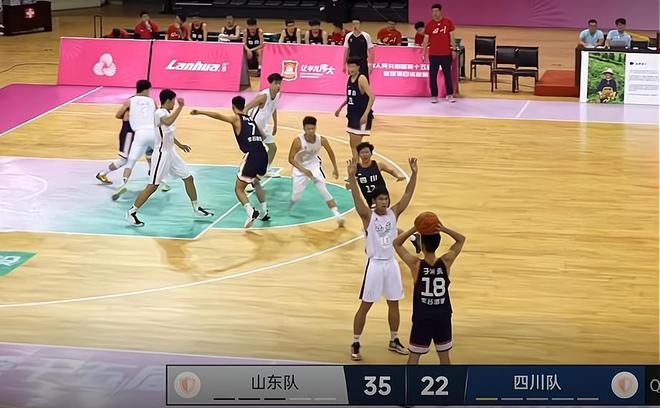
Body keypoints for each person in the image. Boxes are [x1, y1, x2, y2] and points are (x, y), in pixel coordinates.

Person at [346, 157, 418, 361]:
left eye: (386, 199)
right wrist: (352, 178)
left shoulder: (393, 213)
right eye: (380, 199)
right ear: (374, 201)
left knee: (394, 303)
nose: (384, 202)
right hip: (375, 265)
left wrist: (414, 174)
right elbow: (357, 199)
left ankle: (394, 339)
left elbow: (407, 194)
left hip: (391, 264)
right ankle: (356, 342)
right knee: (365, 305)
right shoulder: (368, 216)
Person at [127, 90, 214, 227]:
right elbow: (168, 122)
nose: (174, 103)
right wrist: (180, 107)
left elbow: (168, 134)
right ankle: (132, 212)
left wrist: (180, 145)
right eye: (173, 101)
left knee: (188, 178)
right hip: (161, 154)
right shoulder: (159, 113)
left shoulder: (167, 112)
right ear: (167, 101)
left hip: (171, 153)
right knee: (153, 186)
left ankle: (196, 208)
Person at [190, 97, 270, 229]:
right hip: (263, 154)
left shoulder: (236, 118)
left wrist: (200, 112)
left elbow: (218, 116)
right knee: (256, 182)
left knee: (239, 189)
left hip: (252, 156)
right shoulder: (251, 119)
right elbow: (264, 136)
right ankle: (264, 211)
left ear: (233, 107)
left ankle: (251, 212)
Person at [393, 220, 466, 364]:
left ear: (422, 246)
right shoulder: (446, 261)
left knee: (413, 359)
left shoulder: (416, 265)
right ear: (438, 244)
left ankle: (409, 380)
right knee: (444, 358)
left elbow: (396, 244)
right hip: (442, 315)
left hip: (422, 317)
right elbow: (461, 239)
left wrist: (414, 228)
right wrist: (443, 228)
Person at [354, 142, 421, 252]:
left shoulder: (378, 165)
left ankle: (372, 245)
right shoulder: (356, 169)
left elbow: (391, 170)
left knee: (376, 224)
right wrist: (350, 183)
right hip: (370, 199)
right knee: (384, 225)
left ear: (371, 153)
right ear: (358, 154)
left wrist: (398, 175)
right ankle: (413, 237)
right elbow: (351, 181)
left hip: (381, 198)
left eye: (367, 152)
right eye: (362, 152)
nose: (365, 155)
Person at [288, 116, 344, 227]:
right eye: (308, 129)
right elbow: (290, 159)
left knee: (323, 188)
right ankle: (291, 204)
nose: (310, 131)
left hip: (313, 165)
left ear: (315, 128)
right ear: (304, 129)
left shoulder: (321, 140)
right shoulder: (298, 141)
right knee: (296, 195)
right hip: (300, 167)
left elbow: (331, 153)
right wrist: (304, 170)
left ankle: (337, 215)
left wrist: (335, 168)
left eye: (312, 129)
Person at [111, 80, 157, 201]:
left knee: (130, 161)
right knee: (161, 155)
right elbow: (157, 117)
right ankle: (162, 180)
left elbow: (118, 115)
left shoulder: (130, 101)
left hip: (139, 134)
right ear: (147, 89)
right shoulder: (152, 101)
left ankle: (123, 183)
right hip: (153, 133)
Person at [335, 57, 375, 162]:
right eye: (349, 66)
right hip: (352, 115)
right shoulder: (350, 78)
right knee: (353, 144)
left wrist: (365, 115)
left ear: (358, 67)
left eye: (353, 66)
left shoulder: (361, 78)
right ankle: (358, 166)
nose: (351, 69)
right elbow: (350, 97)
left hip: (360, 116)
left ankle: (358, 167)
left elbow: (372, 97)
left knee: (355, 145)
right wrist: (340, 108)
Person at [245, 73, 282, 178]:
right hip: (255, 127)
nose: (278, 86)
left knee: (273, 148)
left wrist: (275, 124)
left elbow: (274, 108)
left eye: (280, 83)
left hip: (264, 127)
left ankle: (266, 169)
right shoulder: (263, 96)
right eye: (276, 83)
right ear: (270, 84)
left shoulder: (277, 95)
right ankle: (247, 172)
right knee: (255, 152)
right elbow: (246, 108)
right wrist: (246, 124)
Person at [422, 3, 457, 103]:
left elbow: (452, 38)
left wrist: (454, 49)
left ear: (441, 11)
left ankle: (449, 94)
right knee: (433, 76)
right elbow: (426, 40)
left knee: (447, 75)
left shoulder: (448, 22)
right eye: (433, 11)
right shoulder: (429, 25)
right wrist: (423, 53)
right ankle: (434, 95)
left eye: (437, 11)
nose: (435, 13)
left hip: (446, 54)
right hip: (433, 55)